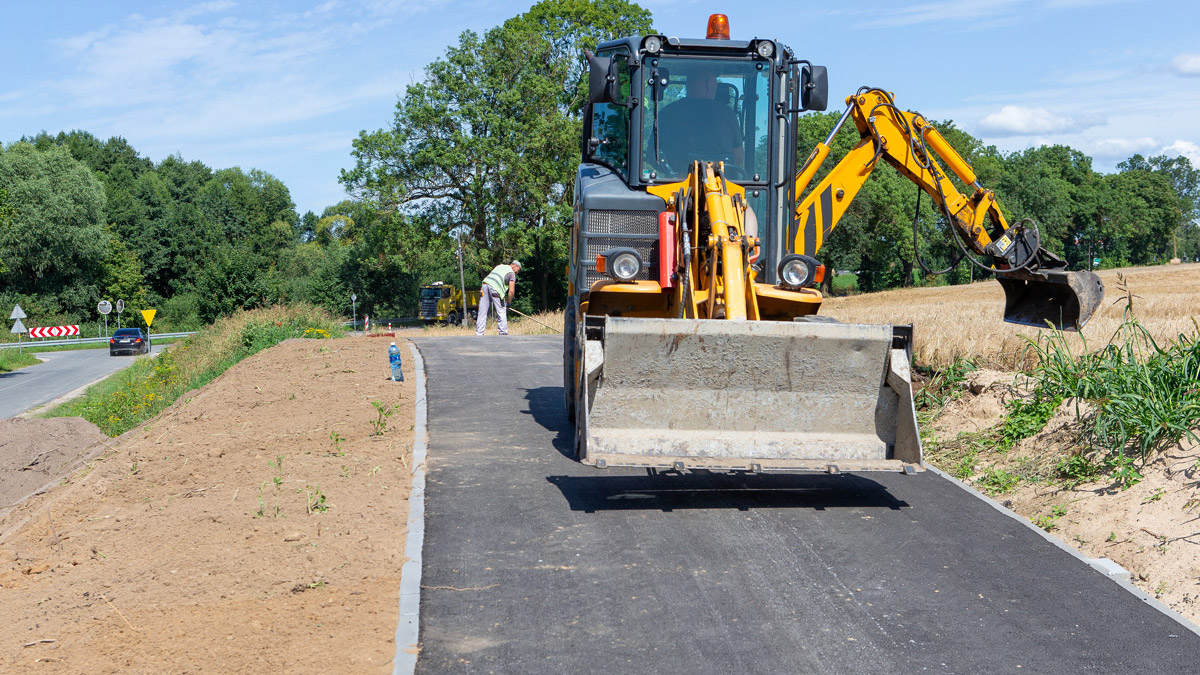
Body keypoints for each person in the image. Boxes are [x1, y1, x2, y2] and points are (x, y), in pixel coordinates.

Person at [657, 70, 744, 171]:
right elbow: (738, 158)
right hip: (723, 184)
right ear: (709, 83)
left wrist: (674, 176)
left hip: (673, 185)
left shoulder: (666, 113)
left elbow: (653, 155)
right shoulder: (727, 114)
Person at [476, 260, 521, 336]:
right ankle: (503, 333)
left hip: (485, 285)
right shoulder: (511, 273)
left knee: (482, 312)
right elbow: (511, 291)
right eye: (518, 271)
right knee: (501, 311)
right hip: (496, 289)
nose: (517, 273)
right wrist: (508, 302)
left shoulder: (499, 266)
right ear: (515, 266)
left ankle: (479, 334)